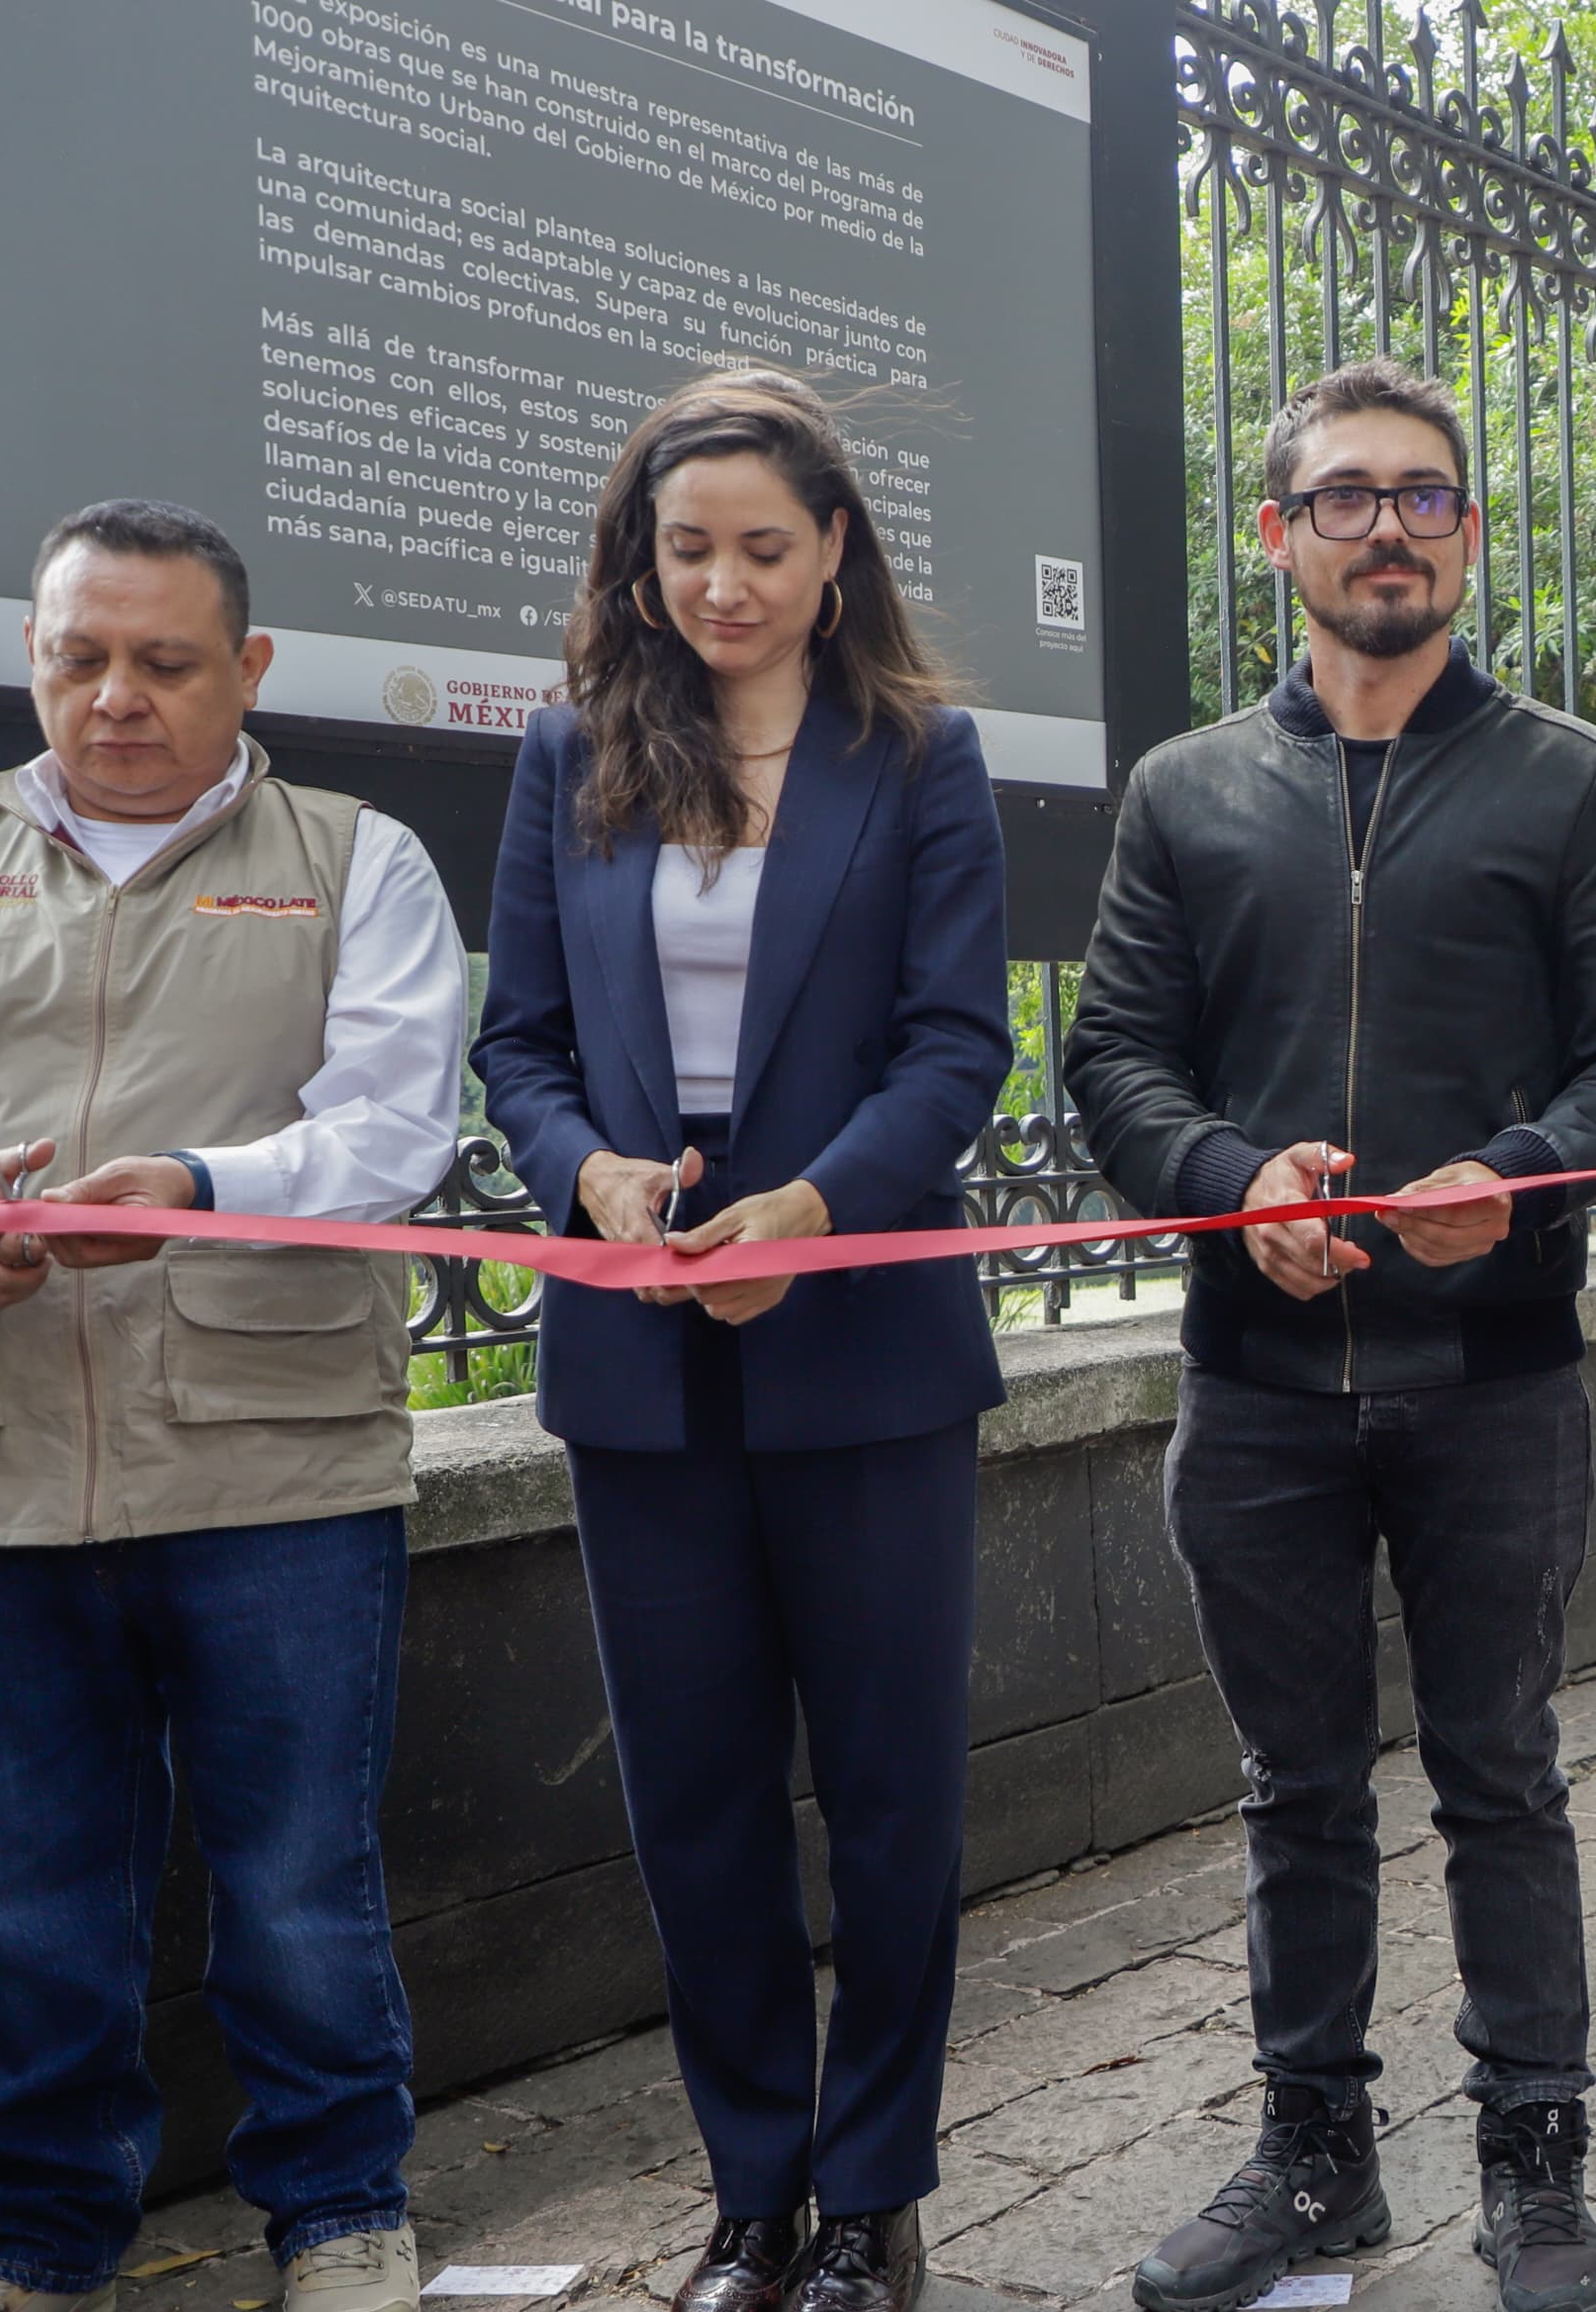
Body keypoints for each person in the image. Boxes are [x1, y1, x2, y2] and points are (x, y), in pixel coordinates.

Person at [0, 500, 464, 2312]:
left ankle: (343, 2215)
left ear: (249, 669)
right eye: (81, 657)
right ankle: (45, 2239)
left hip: (274, 1454)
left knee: (298, 1882)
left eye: (164, 661)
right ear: (33, 657)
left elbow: (397, 1130)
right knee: (41, 1892)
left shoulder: (358, 858)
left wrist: (203, 1187)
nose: (118, 696)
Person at [1067, 358, 1596, 2312]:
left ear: (1469, 535)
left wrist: (1520, 1169)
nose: (1387, 529)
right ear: (1279, 536)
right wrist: (1232, 1180)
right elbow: (1115, 1055)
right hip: (1255, 1388)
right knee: (1295, 1787)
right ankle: (1314, 2156)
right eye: (1344, 497)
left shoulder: (1572, 779)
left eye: (1423, 496)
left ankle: (1535, 2162)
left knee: (1501, 1770)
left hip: (1495, 1379)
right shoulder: (1185, 792)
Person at [470, 370, 1009, 2312]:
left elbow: (956, 1045)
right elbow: (519, 1042)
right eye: (686, 547)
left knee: (889, 1798)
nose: (724, 584)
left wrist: (814, 1213)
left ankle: (874, 2198)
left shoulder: (918, 754)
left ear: (834, 548)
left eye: (764, 546)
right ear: (639, 561)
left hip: (863, 1346)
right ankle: (755, 2196)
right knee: (695, 1802)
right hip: (642, 1356)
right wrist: (591, 1175)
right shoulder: (569, 753)